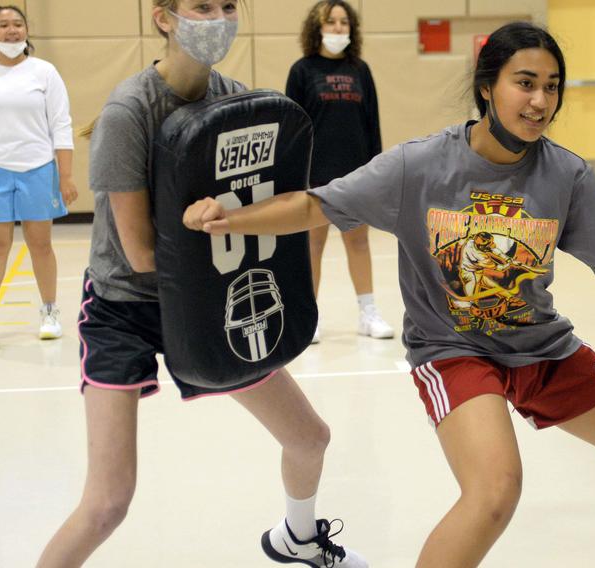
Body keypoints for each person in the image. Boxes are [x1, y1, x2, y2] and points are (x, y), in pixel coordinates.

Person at [184, 21, 595, 568]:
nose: (540, 101)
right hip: (455, 351)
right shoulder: (419, 166)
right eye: (525, 84)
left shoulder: (566, 175)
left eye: (552, 87)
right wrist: (230, 220)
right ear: (487, 87)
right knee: (495, 492)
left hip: (543, 347)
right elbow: (317, 203)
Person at [35, 1, 365, 566]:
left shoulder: (240, 101)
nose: (219, 17)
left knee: (310, 438)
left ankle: (298, 539)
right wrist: (211, 229)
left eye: (229, 5)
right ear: (165, 18)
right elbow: (139, 253)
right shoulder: (128, 112)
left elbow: (272, 210)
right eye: (202, 6)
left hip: (209, 294)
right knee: (108, 501)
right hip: (126, 308)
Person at [0, 4, 77, 350]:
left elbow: (61, 125)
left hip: (38, 168)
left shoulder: (45, 73)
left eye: (18, 24)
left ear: (26, 31)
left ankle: (50, 311)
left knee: (41, 245)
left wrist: (65, 175)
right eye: (4, 26)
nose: (12, 31)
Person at [285, 0, 393, 343]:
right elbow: (292, 126)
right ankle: (310, 317)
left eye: (343, 23)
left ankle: (368, 313)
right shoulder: (302, 70)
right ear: (317, 28)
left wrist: (376, 173)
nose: (337, 28)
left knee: (358, 242)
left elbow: (371, 123)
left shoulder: (360, 70)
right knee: (313, 244)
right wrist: (294, 175)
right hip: (315, 174)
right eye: (330, 22)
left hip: (356, 175)